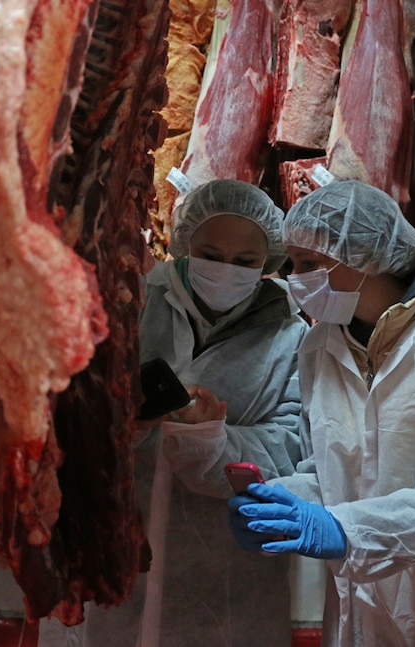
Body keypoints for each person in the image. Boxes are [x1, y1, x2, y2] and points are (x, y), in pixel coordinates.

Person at [227, 180, 415, 646]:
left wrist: (346, 529)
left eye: (309, 264)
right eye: (293, 264)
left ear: (363, 255)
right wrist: (283, 499)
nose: (295, 279)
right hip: (361, 615)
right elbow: (330, 470)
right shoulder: (319, 344)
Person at [39, 179, 307, 647]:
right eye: (210, 253)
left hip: (226, 586)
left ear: (269, 262)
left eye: (245, 262)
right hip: (110, 555)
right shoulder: (128, 305)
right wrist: (121, 428)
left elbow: (291, 451)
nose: (225, 270)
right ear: (184, 243)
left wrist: (209, 440)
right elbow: (61, 415)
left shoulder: (291, 337)